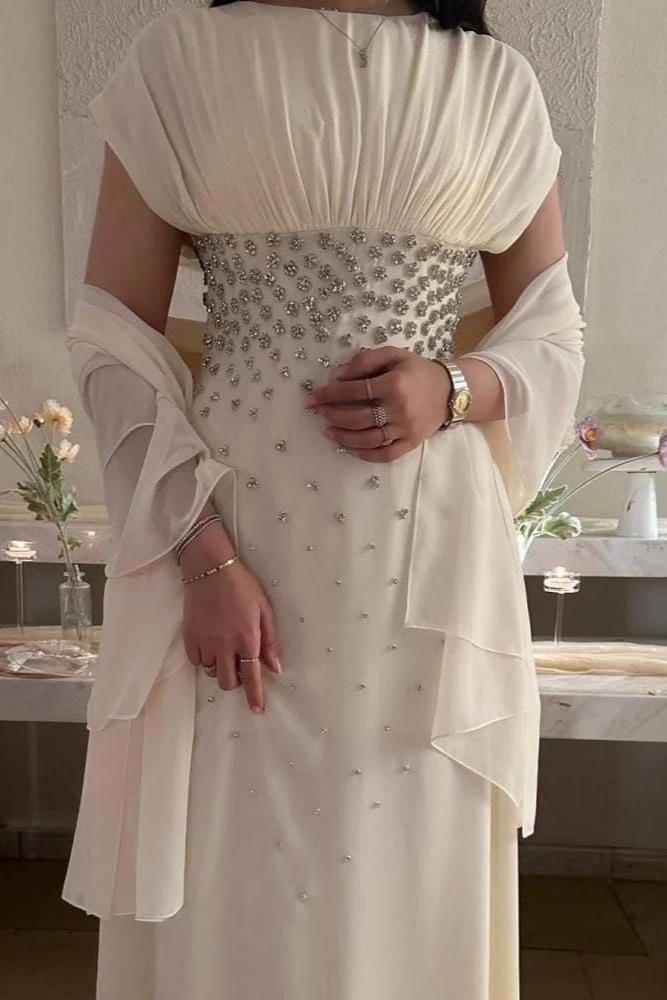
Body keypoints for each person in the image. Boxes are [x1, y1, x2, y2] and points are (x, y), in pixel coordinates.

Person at [62, 1, 586, 997]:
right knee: (233, 852)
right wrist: (200, 554)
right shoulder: (181, 59)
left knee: (406, 852)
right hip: (230, 541)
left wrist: (453, 386)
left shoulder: (491, 81)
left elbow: (551, 334)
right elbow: (113, 340)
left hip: (425, 572)